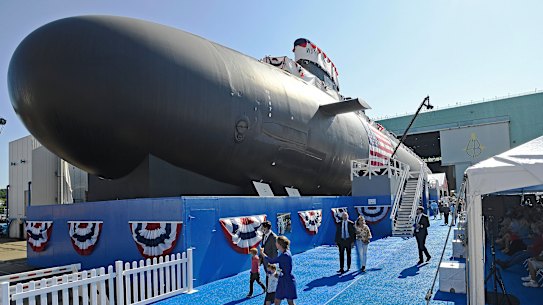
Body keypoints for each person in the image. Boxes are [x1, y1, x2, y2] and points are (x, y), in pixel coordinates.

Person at [261, 236, 297, 305]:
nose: (275, 244)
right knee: (277, 301)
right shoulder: (286, 252)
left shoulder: (284, 255)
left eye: (276, 242)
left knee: (290, 302)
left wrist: (263, 254)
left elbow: (271, 261)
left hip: (287, 281)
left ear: (280, 244)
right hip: (283, 280)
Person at [261, 221, 278, 289]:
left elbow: (275, 251)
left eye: (263, 228)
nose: (262, 229)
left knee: (272, 276)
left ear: (266, 228)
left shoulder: (274, 237)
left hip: (270, 261)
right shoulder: (263, 235)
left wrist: (273, 263)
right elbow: (263, 247)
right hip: (265, 260)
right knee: (268, 276)